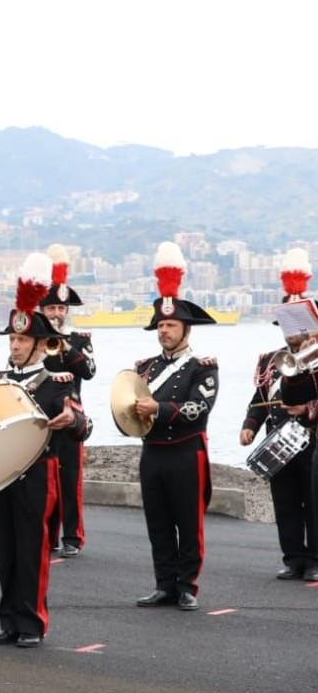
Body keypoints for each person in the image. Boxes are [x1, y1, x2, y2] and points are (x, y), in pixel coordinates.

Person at [0, 254, 88, 648]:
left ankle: (32, 622)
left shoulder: (58, 380)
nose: (16, 344)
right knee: (3, 550)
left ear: (41, 343)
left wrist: (69, 422)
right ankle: (8, 621)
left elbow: (83, 424)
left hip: (37, 474)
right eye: (12, 338)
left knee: (31, 549)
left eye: (23, 339)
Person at [133, 242, 219, 612]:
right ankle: (164, 584)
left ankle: (188, 586)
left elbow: (200, 407)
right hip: (153, 453)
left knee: (188, 523)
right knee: (158, 523)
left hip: (186, 452)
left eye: (171, 325)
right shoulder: (145, 368)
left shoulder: (203, 366)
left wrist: (159, 407)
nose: (164, 331)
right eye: (161, 325)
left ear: (186, 329)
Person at [244, 248, 317, 581]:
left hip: (311, 439)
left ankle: (316, 559)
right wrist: (249, 425)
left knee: (314, 502)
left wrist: (308, 408)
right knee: (285, 501)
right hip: (279, 439)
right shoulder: (269, 359)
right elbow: (259, 396)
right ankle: (293, 557)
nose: (292, 332)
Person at [39, 245, 96, 558]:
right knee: (44, 480)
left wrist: (64, 347)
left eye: (61, 310)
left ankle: (72, 537)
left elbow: (88, 371)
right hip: (41, 416)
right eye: (51, 309)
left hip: (70, 416)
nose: (57, 313)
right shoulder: (34, 338)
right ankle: (48, 535)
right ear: (43, 310)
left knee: (70, 479)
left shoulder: (79, 340)